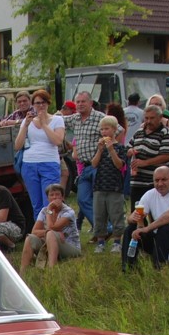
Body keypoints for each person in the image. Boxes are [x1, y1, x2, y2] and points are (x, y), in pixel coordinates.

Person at [121, 166, 169, 269]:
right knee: (130, 229)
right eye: (156, 180)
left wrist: (147, 228)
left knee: (165, 229)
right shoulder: (150, 194)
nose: (160, 184)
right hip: (160, 238)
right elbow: (132, 218)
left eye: (164, 180)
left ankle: (159, 268)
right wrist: (133, 219)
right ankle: (128, 268)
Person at [13, 89, 64, 220]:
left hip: (49, 162)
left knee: (49, 203)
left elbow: (58, 141)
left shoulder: (57, 120)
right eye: (37, 103)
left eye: (43, 102)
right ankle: (40, 230)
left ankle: (50, 228)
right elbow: (17, 146)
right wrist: (25, 125)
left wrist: (44, 124)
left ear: (48, 103)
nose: (40, 105)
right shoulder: (27, 121)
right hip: (29, 164)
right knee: (36, 204)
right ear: (33, 105)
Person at [64, 91, 103, 234]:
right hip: (84, 166)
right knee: (82, 199)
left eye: (83, 101)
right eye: (78, 102)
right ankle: (103, 227)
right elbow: (57, 120)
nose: (80, 104)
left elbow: (119, 131)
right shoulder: (74, 119)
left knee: (100, 200)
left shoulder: (100, 118)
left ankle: (104, 228)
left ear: (90, 103)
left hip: (99, 165)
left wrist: (111, 151)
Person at [20, 183, 80, 271]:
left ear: (62, 197)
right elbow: (34, 231)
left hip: (70, 246)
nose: (54, 197)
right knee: (30, 238)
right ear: (48, 198)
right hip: (50, 242)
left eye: (57, 194)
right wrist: (47, 232)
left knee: (51, 233)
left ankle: (51, 269)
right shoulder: (43, 211)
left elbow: (52, 227)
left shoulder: (68, 212)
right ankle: (23, 270)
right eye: (51, 195)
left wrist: (49, 210)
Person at [91, 115, 128, 252]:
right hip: (100, 186)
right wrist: (100, 150)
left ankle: (117, 241)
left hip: (115, 186)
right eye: (102, 129)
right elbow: (94, 164)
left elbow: (119, 165)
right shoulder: (100, 147)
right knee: (99, 215)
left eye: (106, 129)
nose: (104, 132)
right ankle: (100, 242)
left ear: (114, 129)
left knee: (116, 214)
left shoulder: (120, 148)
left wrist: (111, 150)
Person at [128, 105, 169, 207]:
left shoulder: (165, 132)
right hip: (137, 182)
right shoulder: (139, 132)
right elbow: (128, 147)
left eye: (152, 118)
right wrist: (130, 151)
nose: (149, 121)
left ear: (160, 118)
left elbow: (167, 155)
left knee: (156, 212)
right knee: (137, 212)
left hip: (155, 183)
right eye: (146, 118)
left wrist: (145, 163)